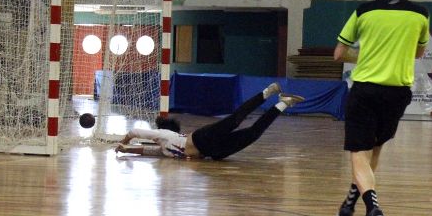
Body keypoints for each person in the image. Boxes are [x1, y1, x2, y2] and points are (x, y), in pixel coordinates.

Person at [332, 0, 429, 216]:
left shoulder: (364, 12)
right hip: (398, 93)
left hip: (366, 89)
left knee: (358, 153)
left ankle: (372, 209)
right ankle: (350, 205)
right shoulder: (420, 14)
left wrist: (365, 55)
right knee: (373, 149)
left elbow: (339, 53)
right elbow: (419, 53)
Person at [115, 82, 304, 160]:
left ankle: (266, 93)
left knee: (235, 120)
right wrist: (127, 151)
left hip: (201, 139)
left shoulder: (163, 134)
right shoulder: (163, 149)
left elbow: (134, 132)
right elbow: (147, 151)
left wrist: (122, 142)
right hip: (212, 152)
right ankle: (283, 104)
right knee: (252, 134)